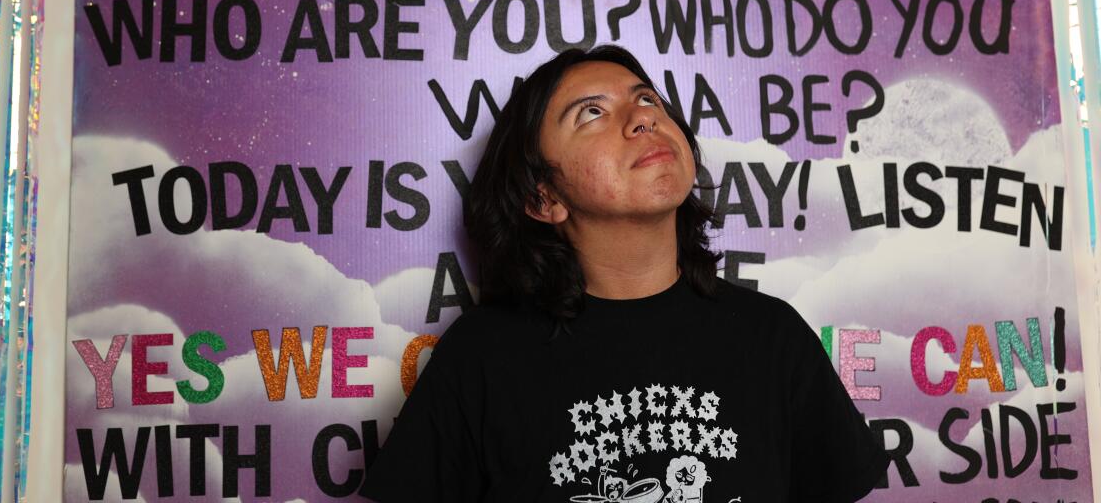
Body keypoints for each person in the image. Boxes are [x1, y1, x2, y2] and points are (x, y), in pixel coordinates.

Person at [360, 45, 888, 502]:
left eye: (647, 99)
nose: (642, 119)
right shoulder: (481, 356)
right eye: (591, 113)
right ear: (544, 198)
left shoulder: (773, 337)